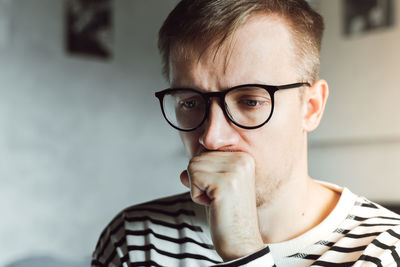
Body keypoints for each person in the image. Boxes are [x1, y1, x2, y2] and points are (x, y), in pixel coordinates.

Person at [91, 0, 400, 266]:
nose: (211, 138)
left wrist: (244, 253)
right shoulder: (134, 240)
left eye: (250, 101)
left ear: (311, 108)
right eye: (190, 102)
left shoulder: (386, 250)